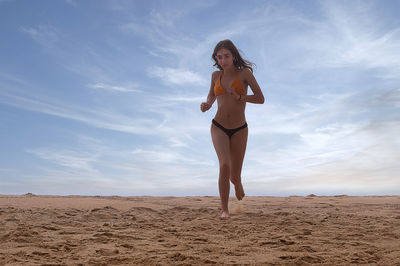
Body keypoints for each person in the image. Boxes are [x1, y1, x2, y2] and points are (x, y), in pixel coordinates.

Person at [200, 40, 265, 220]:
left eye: (226, 56)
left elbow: (260, 98)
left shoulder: (244, 74)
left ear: (234, 56)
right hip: (218, 126)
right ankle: (224, 209)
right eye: (219, 57)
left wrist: (240, 97)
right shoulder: (215, 76)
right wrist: (207, 104)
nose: (223, 60)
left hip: (240, 129)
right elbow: (212, 94)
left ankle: (238, 183)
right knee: (224, 165)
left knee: (234, 176)